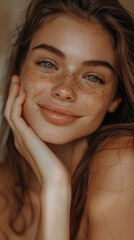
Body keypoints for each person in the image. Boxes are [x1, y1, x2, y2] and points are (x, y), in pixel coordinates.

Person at [0, 0, 134, 239]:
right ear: (19, 68)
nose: (65, 90)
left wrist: (55, 186)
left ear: (116, 97)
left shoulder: (122, 163)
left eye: (93, 77)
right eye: (48, 64)